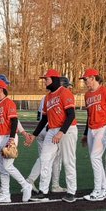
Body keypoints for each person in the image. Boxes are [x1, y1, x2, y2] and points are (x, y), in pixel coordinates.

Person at [26, 69, 77, 202]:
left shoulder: (65, 92)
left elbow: (71, 115)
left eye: (46, 79)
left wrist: (61, 132)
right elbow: (44, 119)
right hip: (52, 130)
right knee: (45, 159)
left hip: (67, 129)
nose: (44, 82)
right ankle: (43, 191)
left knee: (68, 161)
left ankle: (71, 192)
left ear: (54, 79)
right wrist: (34, 135)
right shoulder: (48, 97)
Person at [0, 75, 32, 203]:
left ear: (1, 90)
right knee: (2, 168)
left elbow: (14, 121)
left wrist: (11, 138)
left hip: (8, 137)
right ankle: (5, 194)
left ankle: (26, 185)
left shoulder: (9, 103)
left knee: (7, 166)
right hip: (0, 138)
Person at [79, 68, 106, 201]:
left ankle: (97, 191)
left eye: (86, 79)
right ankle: (105, 189)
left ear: (93, 78)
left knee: (95, 157)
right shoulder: (87, 95)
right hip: (91, 129)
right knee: (95, 159)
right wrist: (85, 133)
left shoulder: (105, 91)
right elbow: (89, 115)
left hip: (103, 127)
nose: (84, 82)